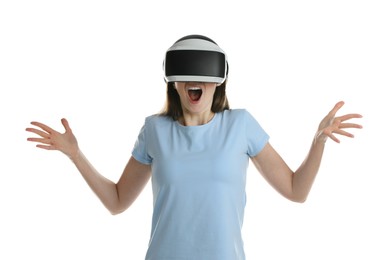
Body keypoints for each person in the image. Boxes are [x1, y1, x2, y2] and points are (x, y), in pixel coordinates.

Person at [26, 35, 363, 260]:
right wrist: (76, 156)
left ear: (220, 80)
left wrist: (318, 143)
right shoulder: (154, 129)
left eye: (205, 71)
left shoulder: (240, 124)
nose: (196, 79)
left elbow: (295, 190)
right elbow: (117, 202)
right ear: (172, 80)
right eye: (185, 71)